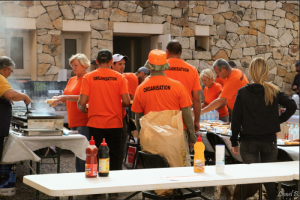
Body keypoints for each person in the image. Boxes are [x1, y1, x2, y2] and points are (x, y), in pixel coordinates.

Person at [230, 57, 297, 199]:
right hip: (269, 141)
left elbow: (236, 118)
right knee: (269, 179)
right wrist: (278, 121)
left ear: (251, 72)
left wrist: (234, 140)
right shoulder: (273, 91)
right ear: (266, 72)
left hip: (248, 141)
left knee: (250, 179)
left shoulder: (243, 92)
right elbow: (292, 105)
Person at [78, 49, 130, 199]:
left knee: (96, 156)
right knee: (115, 157)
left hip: (95, 123)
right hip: (115, 123)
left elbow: (82, 102)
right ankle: (113, 190)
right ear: (110, 63)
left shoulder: (89, 77)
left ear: (98, 62)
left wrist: (86, 109)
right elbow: (126, 101)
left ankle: (96, 191)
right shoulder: (120, 78)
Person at [132, 49, 197, 166]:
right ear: (165, 67)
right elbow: (187, 115)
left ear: (149, 68)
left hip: (151, 138)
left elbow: (138, 118)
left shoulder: (141, 88)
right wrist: (192, 137)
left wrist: (142, 137)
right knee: (180, 174)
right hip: (176, 138)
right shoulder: (178, 86)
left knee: (155, 174)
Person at [51, 53, 89, 173]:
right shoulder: (72, 79)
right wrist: (58, 99)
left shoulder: (88, 78)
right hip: (73, 119)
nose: (73, 68)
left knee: (83, 151)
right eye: (72, 65)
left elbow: (86, 97)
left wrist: (66, 97)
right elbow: (67, 95)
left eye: (76, 65)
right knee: (76, 150)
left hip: (84, 119)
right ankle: (79, 175)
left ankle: (85, 176)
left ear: (84, 65)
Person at [165, 40, 202, 132]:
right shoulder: (192, 70)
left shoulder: (160, 69)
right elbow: (197, 98)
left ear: (167, 52)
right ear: (181, 53)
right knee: (183, 146)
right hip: (184, 119)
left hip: (163, 118)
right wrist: (196, 121)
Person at [0, 56, 31, 161]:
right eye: (11, 71)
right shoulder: (0, 78)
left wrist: (6, 97)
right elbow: (11, 94)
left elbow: (7, 94)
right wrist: (24, 96)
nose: (10, 74)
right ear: (6, 69)